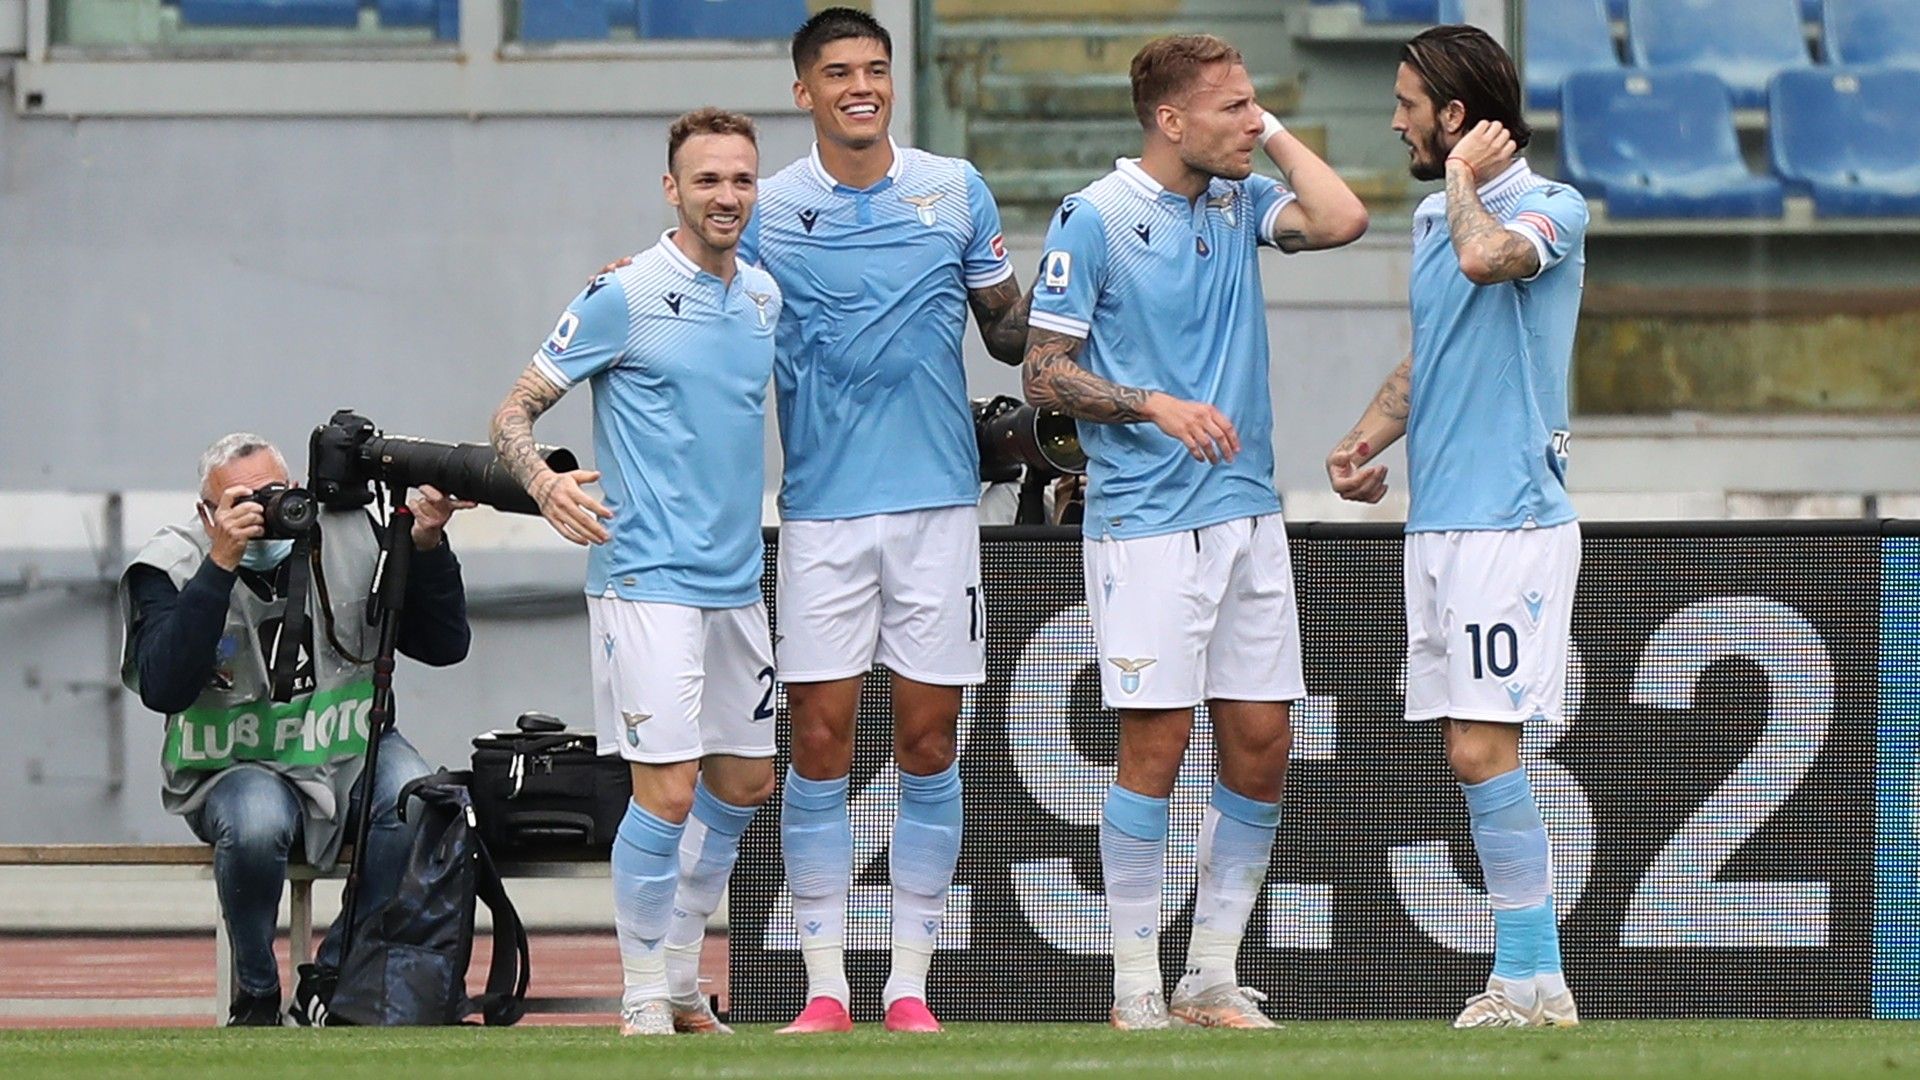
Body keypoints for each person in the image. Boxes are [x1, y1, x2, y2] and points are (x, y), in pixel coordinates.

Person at [1023, 34, 1368, 1030]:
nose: (1251, 123)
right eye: (1231, 108)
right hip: (1145, 525)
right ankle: (1135, 983)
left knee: (1262, 743)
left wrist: (1269, 132)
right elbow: (1042, 373)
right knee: (1157, 745)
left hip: (1247, 513)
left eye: (1256, 105)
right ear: (1169, 120)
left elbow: (1343, 216)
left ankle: (1209, 976)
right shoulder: (1094, 217)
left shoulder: (1241, 196)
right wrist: (1151, 405)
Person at [743, 7, 1029, 1035]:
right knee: (817, 741)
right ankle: (826, 986)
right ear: (803, 91)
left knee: (928, 738)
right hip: (821, 514)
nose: (859, 86)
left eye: (873, 69)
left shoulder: (953, 188)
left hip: (938, 511)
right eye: (837, 72)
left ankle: (909, 985)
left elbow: (1008, 336)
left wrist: (1063, 312)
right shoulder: (767, 208)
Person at [489, 108, 780, 1038]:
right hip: (646, 579)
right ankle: (644, 993)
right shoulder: (624, 294)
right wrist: (545, 486)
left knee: (744, 785)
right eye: (707, 180)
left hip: (736, 582)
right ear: (672, 190)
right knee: (668, 788)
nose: (726, 195)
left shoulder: (762, 296)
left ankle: (685, 980)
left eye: (740, 179)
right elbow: (512, 414)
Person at [1325, 24, 1588, 1029]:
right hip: (1438, 522)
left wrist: (1472, 187)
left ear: (1459, 115)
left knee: (1485, 749)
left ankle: (1533, 980)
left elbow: (1492, 264)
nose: (1395, 122)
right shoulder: (1441, 215)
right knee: (1466, 747)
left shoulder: (1546, 206)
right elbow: (1432, 348)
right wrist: (1366, 432)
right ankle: (1528, 979)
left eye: (1407, 105)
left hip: (1511, 522)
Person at [119, 433, 471, 1026]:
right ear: (206, 513)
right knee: (257, 822)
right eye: (242, 502)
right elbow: (163, 687)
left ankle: (331, 979)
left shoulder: (352, 536)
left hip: (347, 750)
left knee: (416, 799)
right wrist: (221, 563)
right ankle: (256, 992)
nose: (264, 512)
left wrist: (428, 545)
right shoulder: (168, 565)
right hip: (232, 767)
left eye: (276, 494)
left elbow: (444, 645)